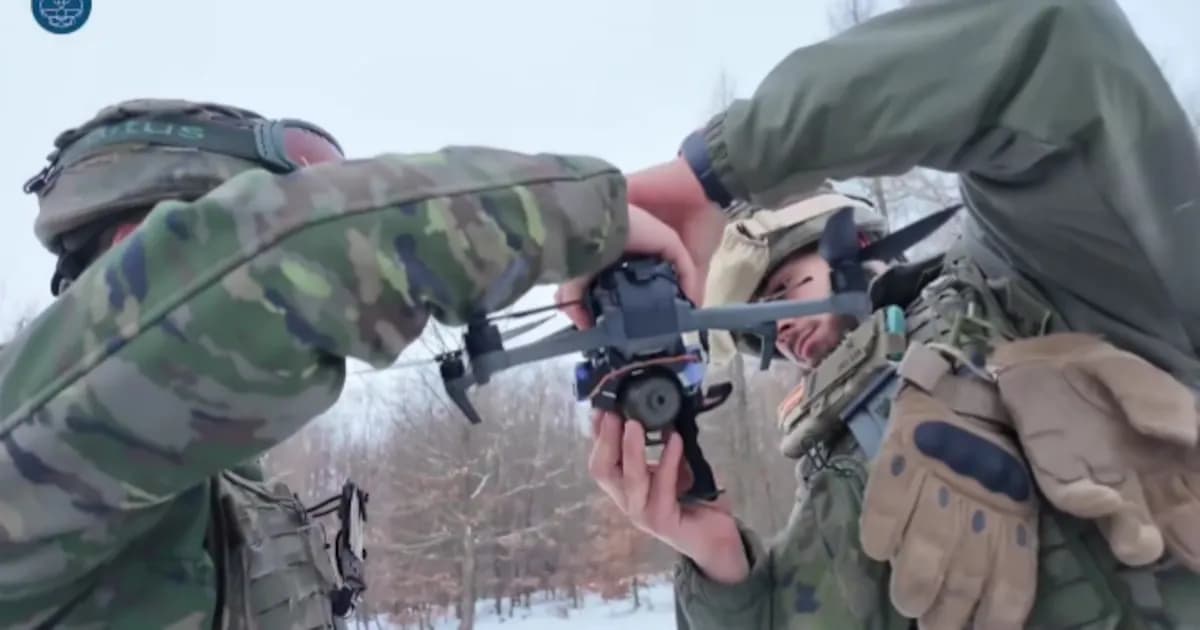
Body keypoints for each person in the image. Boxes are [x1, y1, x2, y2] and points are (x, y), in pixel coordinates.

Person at [574, 0, 1200, 627]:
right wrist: (719, 566)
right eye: (759, 331)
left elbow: (1057, 43)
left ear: (858, 245)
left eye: (785, 290)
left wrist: (716, 172)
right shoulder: (833, 474)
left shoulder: (1043, 274)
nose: (780, 332)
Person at [0, 98, 701, 628]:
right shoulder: (39, 448)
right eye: (243, 221)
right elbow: (293, 261)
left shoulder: (219, 484)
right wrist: (582, 216)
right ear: (136, 247)